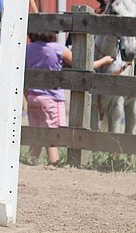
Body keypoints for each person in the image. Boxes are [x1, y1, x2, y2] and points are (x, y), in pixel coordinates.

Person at [25, 32, 112, 165]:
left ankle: (31, 161)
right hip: (52, 99)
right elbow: (84, 64)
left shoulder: (28, 49)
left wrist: (27, 96)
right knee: (52, 136)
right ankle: (54, 164)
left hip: (33, 98)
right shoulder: (58, 48)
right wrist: (104, 61)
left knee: (37, 134)